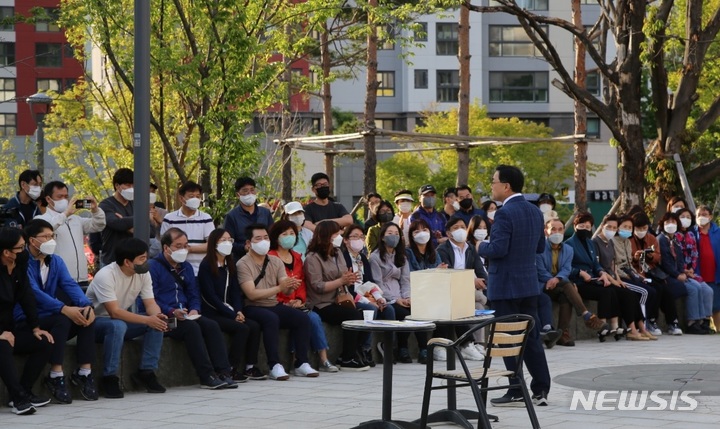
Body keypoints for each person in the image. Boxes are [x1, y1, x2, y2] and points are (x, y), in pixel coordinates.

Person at [477, 165, 551, 407]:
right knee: (531, 337)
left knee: (508, 340)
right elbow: (540, 247)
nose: (492, 185)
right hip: (529, 284)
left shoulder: (504, 213)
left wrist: (480, 247)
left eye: (494, 181)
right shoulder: (534, 211)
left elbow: (498, 249)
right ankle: (540, 389)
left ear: (506, 186)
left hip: (505, 285)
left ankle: (515, 389)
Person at [17, 220, 98, 404]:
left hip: (49, 315)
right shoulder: (23, 262)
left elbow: (70, 285)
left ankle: (84, 372)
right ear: (32, 240)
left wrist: (86, 305)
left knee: (85, 316)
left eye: (52, 236)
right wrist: (63, 308)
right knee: (62, 319)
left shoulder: (56, 261)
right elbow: (33, 293)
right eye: (45, 236)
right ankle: (55, 374)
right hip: (27, 319)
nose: (50, 240)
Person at [148, 228, 237, 389]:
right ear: (166, 248)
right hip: (164, 316)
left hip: (187, 313)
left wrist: (195, 309)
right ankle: (206, 375)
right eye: (178, 246)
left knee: (211, 325)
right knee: (191, 328)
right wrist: (171, 311)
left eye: (186, 245)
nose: (183, 250)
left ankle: (224, 371)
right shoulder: (153, 267)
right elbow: (151, 298)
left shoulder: (186, 267)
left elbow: (193, 293)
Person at [86, 238, 167, 399]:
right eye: (142, 258)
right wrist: (147, 320)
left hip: (119, 320)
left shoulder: (143, 274)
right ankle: (109, 377)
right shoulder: (106, 276)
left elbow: (150, 303)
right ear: (128, 262)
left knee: (156, 323)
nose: (146, 262)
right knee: (117, 326)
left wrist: (156, 316)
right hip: (95, 323)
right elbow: (114, 312)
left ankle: (146, 372)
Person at [238, 223, 319, 380]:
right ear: (248, 243)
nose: (263, 241)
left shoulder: (275, 261)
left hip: (273, 304)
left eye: (266, 237)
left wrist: (290, 286)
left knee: (302, 318)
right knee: (271, 319)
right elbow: (251, 294)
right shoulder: (243, 264)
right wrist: (279, 288)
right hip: (253, 307)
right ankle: (274, 364)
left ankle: (301, 362)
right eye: (258, 238)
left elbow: (284, 286)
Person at [268, 220, 339, 373]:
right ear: (276, 237)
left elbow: (301, 283)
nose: (289, 237)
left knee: (312, 318)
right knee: (303, 318)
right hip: (276, 304)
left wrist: (299, 300)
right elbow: (269, 286)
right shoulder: (270, 257)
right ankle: (298, 360)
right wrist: (284, 301)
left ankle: (320, 359)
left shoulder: (297, 257)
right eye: (284, 234)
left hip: (296, 303)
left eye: (292, 233)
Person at [197, 228, 265, 381]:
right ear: (214, 244)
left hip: (231, 311)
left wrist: (239, 311)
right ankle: (231, 368)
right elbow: (210, 296)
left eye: (230, 240)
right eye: (223, 240)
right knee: (242, 328)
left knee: (254, 326)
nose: (227, 243)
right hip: (213, 312)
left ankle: (250, 366)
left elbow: (235, 291)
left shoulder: (230, 263)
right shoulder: (207, 265)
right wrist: (232, 315)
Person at [0, 226, 54, 415]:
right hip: (1, 334)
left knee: (44, 341)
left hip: (10, 329)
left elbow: (26, 297)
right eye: (19, 248)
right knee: (2, 345)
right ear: (6, 252)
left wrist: (35, 327)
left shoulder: (20, 264)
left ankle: (24, 390)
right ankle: (17, 397)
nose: (23, 251)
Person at [304, 221, 369, 371]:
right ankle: (346, 358)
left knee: (364, 313)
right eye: (336, 234)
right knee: (353, 315)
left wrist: (349, 278)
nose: (339, 236)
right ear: (326, 236)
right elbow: (317, 286)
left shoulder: (337, 252)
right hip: (321, 304)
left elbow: (343, 274)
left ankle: (356, 352)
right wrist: (341, 280)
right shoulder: (313, 258)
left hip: (339, 299)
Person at [537, 218, 607, 348]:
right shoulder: (539, 249)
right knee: (568, 286)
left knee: (566, 295)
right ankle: (586, 316)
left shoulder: (568, 249)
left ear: (564, 231)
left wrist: (558, 279)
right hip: (542, 285)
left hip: (560, 285)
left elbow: (566, 269)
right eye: (553, 229)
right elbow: (540, 272)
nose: (557, 232)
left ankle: (561, 335)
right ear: (546, 231)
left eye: (560, 229)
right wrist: (556, 280)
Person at [370, 222, 428, 364]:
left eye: (396, 233)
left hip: (401, 294)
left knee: (418, 310)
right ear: (382, 237)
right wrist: (395, 299)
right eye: (390, 233)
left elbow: (405, 280)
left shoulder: (401, 256)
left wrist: (407, 297)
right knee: (403, 313)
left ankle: (424, 350)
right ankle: (402, 348)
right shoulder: (375, 257)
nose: (393, 236)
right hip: (385, 297)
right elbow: (377, 283)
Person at [592, 215, 655, 341]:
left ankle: (641, 327)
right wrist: (616, 280)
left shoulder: (615, 242)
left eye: (614, 227)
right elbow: (599, 266)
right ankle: (633, 329)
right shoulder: (597, 242)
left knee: (639, 291)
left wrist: (621, 279)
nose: (612, 229)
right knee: (633, 294)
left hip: (618, 276)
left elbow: (615, 264)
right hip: (605, 278)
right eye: (610, 227)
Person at [341, 224, 395, 367]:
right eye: (354, 237)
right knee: (371, 310)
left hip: (366, 294)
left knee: (388, 309)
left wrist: (378, 298)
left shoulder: (363, 258)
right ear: (346, 240)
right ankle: (364, 347)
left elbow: (369, 281)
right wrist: (367, 301)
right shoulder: (342, 258)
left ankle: (390, 348)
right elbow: (346, 287)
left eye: (361, 237)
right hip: (351, 297)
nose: (359, 240)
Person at [35, 181, 106, 287]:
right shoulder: (41, 219)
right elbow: (47, 228)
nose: (64, 200)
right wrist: (65, 214)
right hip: (59, 278)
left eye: (66, 196)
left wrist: (95, 210)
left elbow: (99, 225)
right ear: (48, 199)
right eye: (59, 197)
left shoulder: (76, 219)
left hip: (81, 277)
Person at [436, 217, 487, 361]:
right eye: (456, 228)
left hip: (468, 290)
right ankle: (466, 343)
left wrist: (483, 282)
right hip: (450, 289)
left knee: (478, 305)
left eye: (463, 227)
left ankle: (477, 344)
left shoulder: (470, 248)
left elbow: (480, 270)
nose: (460, 230)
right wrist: (472, 281)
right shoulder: (443, 249)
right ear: (449, 233)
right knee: (472, 300)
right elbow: (448, 273)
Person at [565, 211, 621, 342]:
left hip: (592, 279)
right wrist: (580, 272)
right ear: (575, 226)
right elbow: (566, 267)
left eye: (588, 227)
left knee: (612, 290)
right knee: (605, 293)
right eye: (581, 226)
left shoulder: (590, 243)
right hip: (578, 282)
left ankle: (614, 326)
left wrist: (602, 273)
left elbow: (595, 263)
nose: (585, 229)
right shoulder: (568, 244)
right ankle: (602, 326)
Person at [656, 212, 713, 334]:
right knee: (694, 288)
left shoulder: (675, 240)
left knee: (705, 289)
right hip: (670, 276)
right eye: (667, 222)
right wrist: (678, 274)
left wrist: (683, 271)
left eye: (673, 222)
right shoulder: (661, 240)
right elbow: (665, 263)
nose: (671, 225)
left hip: (682, 273)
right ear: (662, 224)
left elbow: (680, 259)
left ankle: (702, 321)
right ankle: (692, 322)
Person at [629, 211, 683, 335]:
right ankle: (650, 320)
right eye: (638, 228)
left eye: (644, 228)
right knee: (655, 290)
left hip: (651, 271)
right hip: (636, 272)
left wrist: (650, 256)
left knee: (666, 290)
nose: (642, 230)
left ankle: (672, 322)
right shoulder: (629, 239)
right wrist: (635, 257)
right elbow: (627, 260)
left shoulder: (651, 238)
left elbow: (658, 257)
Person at [99, 168, 159, 266]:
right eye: (127, 185)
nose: (131, 188)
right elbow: (116, 224)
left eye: (133, 185)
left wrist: (124, 221)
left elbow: (151, 233)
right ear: (117, 186)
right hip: (112, 262)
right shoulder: (106, 205)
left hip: (134, 263)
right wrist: (143, 217)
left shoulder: (138, 204)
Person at [612, 215, 661, 336]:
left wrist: (638, 276)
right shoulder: (613, 242)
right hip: (620, 276)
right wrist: (627, 275)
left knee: (652, 289)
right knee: (644, 292)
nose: (627, 229)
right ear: (618, 228)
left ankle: (644, 324)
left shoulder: (627, 242)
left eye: (630, 227)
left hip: (630, 274)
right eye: (625, 227)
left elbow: (629, 264)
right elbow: (615, 266)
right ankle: (641, 327)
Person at [160, 181, 215, 276]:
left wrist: (189, 249)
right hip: (175, 270)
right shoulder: (169, 218)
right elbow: (164, 245)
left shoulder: (206, 218)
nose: (195, 199)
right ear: (181, 198)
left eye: (198, 196)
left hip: (200, 270)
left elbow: (211, 244)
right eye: (191, 196)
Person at [224, 177, 274, 260]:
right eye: (245, 190)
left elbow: (272, 235)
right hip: (242, 260)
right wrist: (244, 247)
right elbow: (228, 242)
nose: (249, 193)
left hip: (264, 258)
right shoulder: (231, 216)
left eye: (252, 190)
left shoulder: (265, 213)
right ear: (237, 195)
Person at [694, 205, 720, 331]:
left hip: (715, 273)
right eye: (699, 215)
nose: (702, 217)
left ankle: (717, 328)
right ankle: (703, 325)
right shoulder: (692, 233)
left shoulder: (718, 232)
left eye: (704, 215)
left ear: (710, 216)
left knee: (716, 304)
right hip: (698, 274)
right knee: (702, 301)